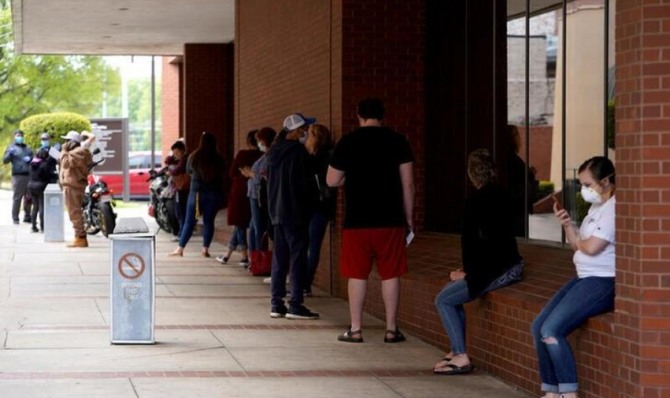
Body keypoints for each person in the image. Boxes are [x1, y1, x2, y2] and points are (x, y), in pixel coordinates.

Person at [327, 98, 414, 343]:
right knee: (390, 274)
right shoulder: (398, 141)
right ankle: (391, 329)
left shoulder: (348, 142)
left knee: (357, 274)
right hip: (390, 219)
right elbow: (408, 183)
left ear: (359, 116)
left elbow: (331, 181)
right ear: (383, 116)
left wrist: (354, 179)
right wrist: (409, 217)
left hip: (357, 221)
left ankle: (355, 329)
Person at [432, 148, 524, 375]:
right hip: (507, 264)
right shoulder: (502, 194)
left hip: (498, 269)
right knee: (450, 294)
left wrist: (468, 275)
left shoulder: (476, 202)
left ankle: (461, 355)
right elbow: (492, 242)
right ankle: (456, 349)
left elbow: (476, 244)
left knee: (443, 300)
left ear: (471, 174)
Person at [532, 156, 616, 398]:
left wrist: (581, 242)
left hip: (602, 281)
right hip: (584, 278)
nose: (584, 190)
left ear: (606, 180)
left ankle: (568, 393)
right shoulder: (596, 208)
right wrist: (568, 226)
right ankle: (551, 390)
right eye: (582, 185)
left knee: (551, 329)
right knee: (538, 326)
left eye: (588, 184)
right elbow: (577, 245)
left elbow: (590, 248)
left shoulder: (614, 209)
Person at [265, 113, 319, 320]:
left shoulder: (273, 153)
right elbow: (306, 184)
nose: (306, 133)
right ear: (297, 131)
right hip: (296, 212)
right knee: (298, 258)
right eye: (305, 129)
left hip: (277, 212)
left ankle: (276, 304)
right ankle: (296, 304)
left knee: (279, 259)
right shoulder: (298, 152)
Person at [169, 132, 226, 258]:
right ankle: (205, 249)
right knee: (209, 222)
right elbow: (223, 173)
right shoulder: (218, 158)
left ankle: (180, 248)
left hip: (197, 194)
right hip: (214, 194)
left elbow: (189, 171)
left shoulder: (194, 156)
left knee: (189, 222)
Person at [217, 130, 262, 266]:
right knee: (244, 223)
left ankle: (242, 256)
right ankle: (229, 255)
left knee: (240, 223)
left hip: (240, 191)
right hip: (257, 193)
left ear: (249, 142)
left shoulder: (242, 154)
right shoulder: (263, 155)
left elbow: (231, 172)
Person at [304, 123, 336, 296]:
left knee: (311, 246)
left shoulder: (320, 158)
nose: (307, 138)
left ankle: (305, 283)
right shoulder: (321, 157)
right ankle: (304, 283)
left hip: (318, 207)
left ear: (316, 137)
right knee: (310, 246)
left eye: (309, 135)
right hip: (317, 207)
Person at [59, 130, 94, 248]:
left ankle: (81, 238)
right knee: (74, 212)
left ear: (72, 142)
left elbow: (65, 163)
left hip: (73, 186)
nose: (65, 143)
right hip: (72, 185)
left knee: (74, 212)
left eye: (67, 141)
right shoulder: (77, 152)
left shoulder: (79, 152)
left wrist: (63, 150)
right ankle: (78, 236)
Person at [507, 125, 539, 237]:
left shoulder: (507, 158)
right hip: (516, 206)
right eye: (517, 135)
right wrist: (530, 174)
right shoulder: (513, 159)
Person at [3, 130, 34, 224]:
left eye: (21, 135)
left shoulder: (27, 148)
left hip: (28, 175)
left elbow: (33, 159)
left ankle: (27, 216)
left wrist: (31, 159)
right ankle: (15, 217)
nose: (19, 137)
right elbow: (5, 160)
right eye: (18, 135)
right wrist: (9, 154)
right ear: (14, 137)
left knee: (29, 197)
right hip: (17, 176)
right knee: (17, 197)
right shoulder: (11, 147)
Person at [164, 139, 190, 241]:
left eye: (178, 152)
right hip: (182, 189)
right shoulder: (181, 159)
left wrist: (170, 171)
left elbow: (176, 171)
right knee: (180, 212)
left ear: (183, 150)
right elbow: (168, 160)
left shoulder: (185, 159)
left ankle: (181, 234)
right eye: (174, 153)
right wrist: (172, 156)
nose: (176, 155)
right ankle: (181, 233)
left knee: (181, 212)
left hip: (184, 189)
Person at [28, 148, 58, 233]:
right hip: (41, 187)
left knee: (35, 207)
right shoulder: (44, 164)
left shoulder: (32, 163)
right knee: (42, 206)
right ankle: (42, 227)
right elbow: (50, 175)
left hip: (31, 186)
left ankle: (33, 226)